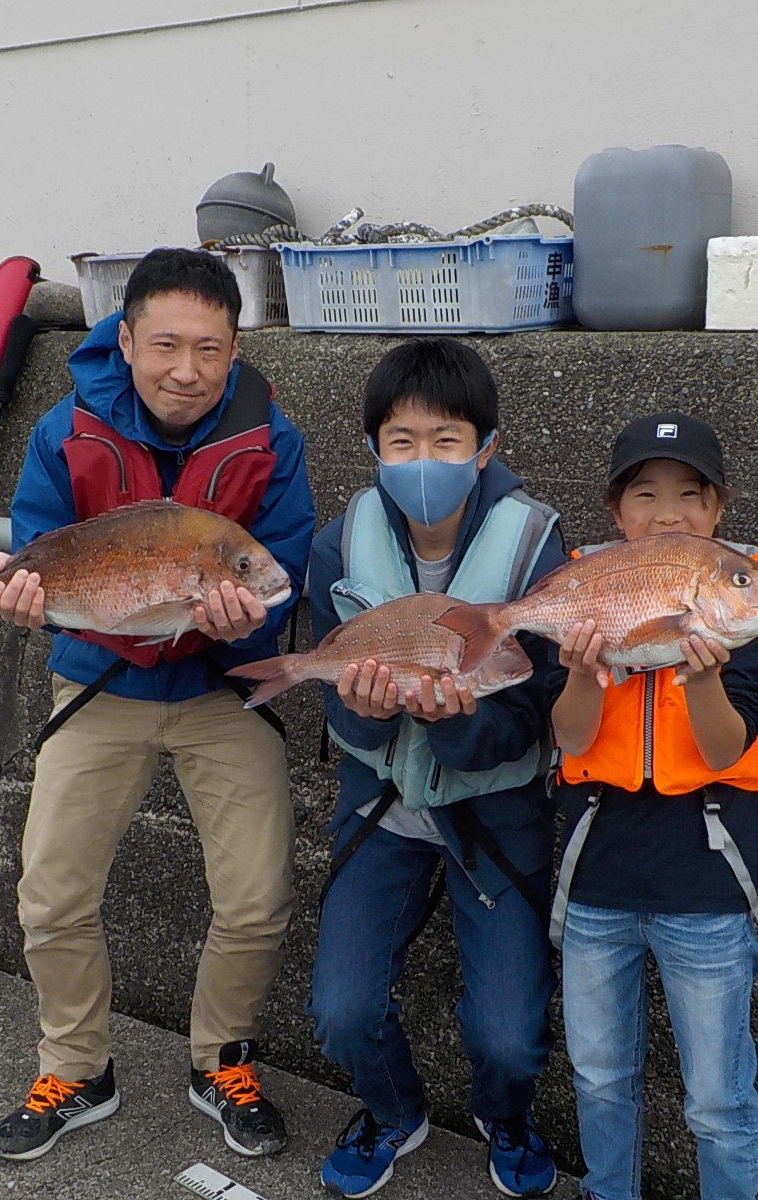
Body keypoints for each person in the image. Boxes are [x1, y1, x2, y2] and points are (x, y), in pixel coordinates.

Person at [0, 248, 316, 1162]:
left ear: (236, 349)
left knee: (257, 897)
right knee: (49, 892)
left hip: (220, 688)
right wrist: (17, 593)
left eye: (211, 350)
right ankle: (77, 1067)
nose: (186, 370)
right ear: (124, 340)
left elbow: (283, 571)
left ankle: (223, 1061)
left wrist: (255, 613)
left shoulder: (272, 440)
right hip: (99, 681)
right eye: (164, 344)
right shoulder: (66, 429)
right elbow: (40, 557)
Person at [306, 338, 566, 1199]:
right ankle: (392, 1112)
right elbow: (333, 683)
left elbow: (536, 707)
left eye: (447, 440)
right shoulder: (338, 545)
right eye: (402, 441)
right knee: (341, 1012)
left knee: (512, 1037)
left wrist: (461, 727)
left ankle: (505, 1115)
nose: (425, 460)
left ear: (485, 448)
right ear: (375, 449)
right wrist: (363, 707)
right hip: (381, 803)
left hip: (495, 811)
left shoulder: (535, 545)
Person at [549, 412, 758, 1200]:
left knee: (719, 1100)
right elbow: (569, 735)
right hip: (598, 879)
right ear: (617, 513)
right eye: (645, 494)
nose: (667, 512)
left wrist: (703, 675)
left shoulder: (747, 612)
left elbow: (725, 752)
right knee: (597, 1076)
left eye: (690, 494)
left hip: (706, 886)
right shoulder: (590, 585)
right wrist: (584, 670)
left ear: (718, 511)